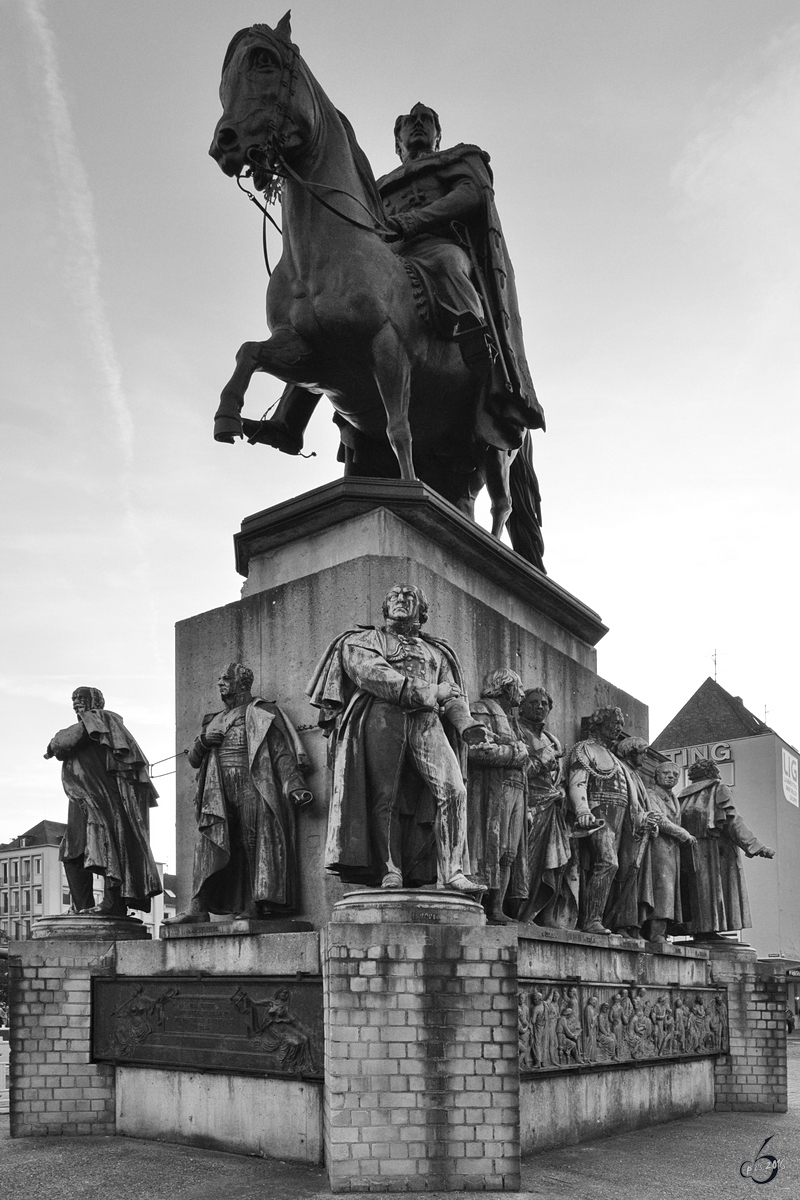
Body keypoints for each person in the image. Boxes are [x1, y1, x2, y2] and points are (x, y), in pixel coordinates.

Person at [253, 102, 544, 458]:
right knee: (322, 323)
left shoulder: (453, 161)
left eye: (426, 121)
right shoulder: (374, 186)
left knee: (450, 263)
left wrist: (414, 221)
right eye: (409, 123)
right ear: (397, 141)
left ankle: (473, 333)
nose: (418, 125)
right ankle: (289, 419)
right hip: (385, 261)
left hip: (434, 245)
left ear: (438, 137)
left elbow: (471, 195)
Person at [308, 584, 489, 892]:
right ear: (385, 606)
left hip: (427, 720)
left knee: (454, 790)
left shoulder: (438, 651)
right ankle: (391, 869)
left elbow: (453, 692)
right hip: (381, 714)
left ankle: (454, 872)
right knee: (384, 795)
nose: (402, 600)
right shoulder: (362, 641)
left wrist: (464, 723)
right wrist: (430, 692)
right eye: (395, 596)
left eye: (410, 597)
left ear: (422, 611)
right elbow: (373, 674)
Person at [169, 663, 312, 923]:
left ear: (242, 683)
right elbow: (193, 760)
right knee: (209, 843)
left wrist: (295, 784)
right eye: (219, 679)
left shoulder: (262, 711)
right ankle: (197, 908)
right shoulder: (213, 719)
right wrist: (202, 742)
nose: (220, 683)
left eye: (226, 678)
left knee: (252, 843)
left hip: (252, 783)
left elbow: (281, 753)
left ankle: (253, 905)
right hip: (217, 789)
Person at [44, 686, 161, 916]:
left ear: (95, 701)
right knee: (72, 853)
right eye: (73, 699)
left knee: (108, 848)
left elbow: (62, 744)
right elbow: (58, 746)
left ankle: (112, 905)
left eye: (81, 698)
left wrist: (56, 741)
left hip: (101, 798)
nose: (76, 703)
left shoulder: (100, 718)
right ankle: (83, 906)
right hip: (80, 798)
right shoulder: (87, 724)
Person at [678, 757, 774, 941]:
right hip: (715, 850)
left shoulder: (682, 796)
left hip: (688, 850)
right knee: (713, 890)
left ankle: (701, 929)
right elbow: (733, 822)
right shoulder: (719, 789)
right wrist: (757, 846)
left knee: (696, 890)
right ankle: (709, 930)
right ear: (713, 772)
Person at [466, 668, 529, 923]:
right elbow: (475, 751)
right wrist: (515, 754)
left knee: (509, 854)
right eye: (519, 688)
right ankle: (481, 905)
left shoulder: (513, 721)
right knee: (491, 848)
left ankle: (496, 907)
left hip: (517, 788)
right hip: (496, 787)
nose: (522, 694)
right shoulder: (480, 711)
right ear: (506, 688)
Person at [516, 686, 576, 928]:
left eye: (544, 704)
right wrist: (541, 762)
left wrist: (561, 791)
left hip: (553, 808)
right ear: (521, 705)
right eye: (533, 702)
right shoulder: (516, 730)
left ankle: (543, 912)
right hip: (529, 804)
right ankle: (520, 911)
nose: (539, 707)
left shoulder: (552, 740)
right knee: (527, 860)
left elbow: (560, 777)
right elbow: (518, 768)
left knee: (555, 863)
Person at [565, 706, 628, 935]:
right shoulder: (584, 749)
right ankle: (591, 920)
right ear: (599, 723)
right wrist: (582, 810)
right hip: (598, 813)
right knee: (608, 863)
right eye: (614, 722)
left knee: (615, 867)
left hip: (618, 816)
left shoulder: (614, 757)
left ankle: (602, 918)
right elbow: (578, 781)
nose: (619, 727)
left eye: (621, 723)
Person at [644, 761, 697, 943]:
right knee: (662, 888)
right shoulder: (651, 794)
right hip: (657, 846)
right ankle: (655, 933)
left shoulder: (673, 798)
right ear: (656, 775)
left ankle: (663, 931)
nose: (671, 777)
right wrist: (682, 833)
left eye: (675, 775)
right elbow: (658, 818)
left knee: (670, 890)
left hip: (671, 849)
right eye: (666, 773)